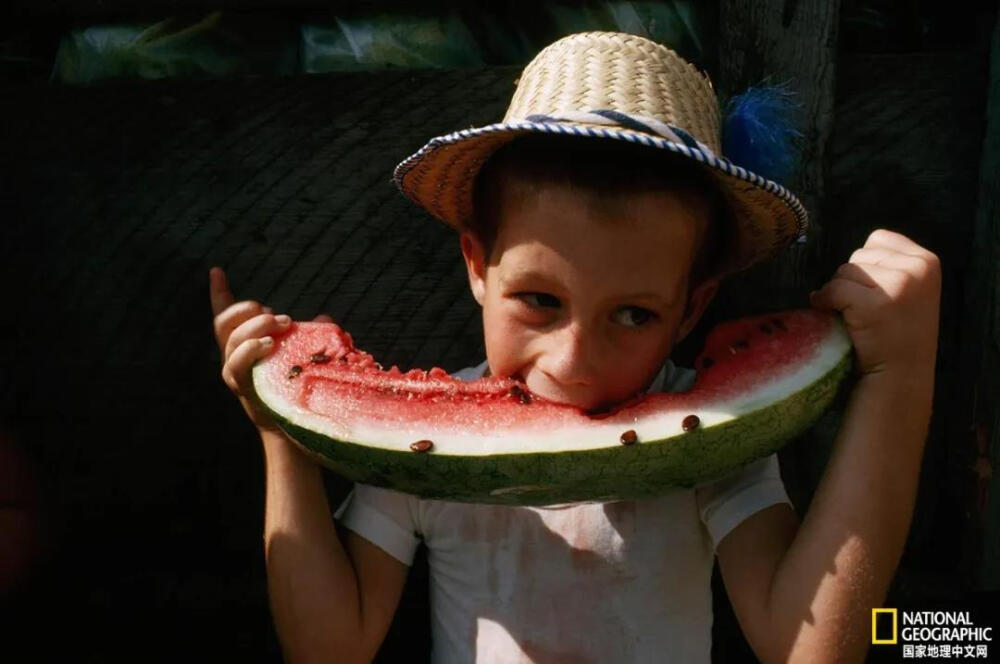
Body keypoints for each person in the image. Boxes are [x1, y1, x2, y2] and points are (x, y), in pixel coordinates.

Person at [209, 32, 941, 663]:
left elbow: (809, 649)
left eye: (631, 315)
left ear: (693, 309)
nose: (572, 363)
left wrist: (896, 379)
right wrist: (284, 431)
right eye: (540, 301)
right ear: (477, 267)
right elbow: (328, 649)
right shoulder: (418, 452)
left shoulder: (714, 446)